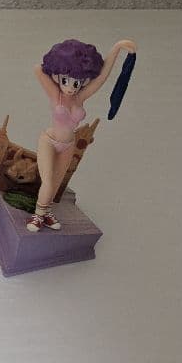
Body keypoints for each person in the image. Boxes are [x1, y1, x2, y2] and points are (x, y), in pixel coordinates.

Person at [30, 38, 136, 231]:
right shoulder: (55, 94)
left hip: (68, 145)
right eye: (66, 81)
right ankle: (38, 215)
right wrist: (59, 65)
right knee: (48, 181)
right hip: (49, 141)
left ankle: (47, 212)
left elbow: (102, 76)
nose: (71, 87)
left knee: (57, 183)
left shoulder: (81, 97)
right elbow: (38, 68)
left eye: (77, 82)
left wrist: (117, 48)